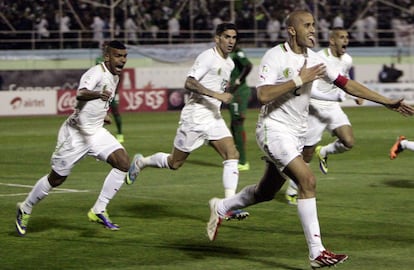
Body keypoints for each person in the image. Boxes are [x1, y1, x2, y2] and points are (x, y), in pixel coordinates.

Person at [206, 10, 414, 269]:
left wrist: (387, 102)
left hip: (296, 133)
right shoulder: (275, 55)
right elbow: (263, 95)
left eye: (314, 25)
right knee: (307, 180)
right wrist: (298, 79)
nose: (313, 29)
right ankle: (317, 252)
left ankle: (222, 206)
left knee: (266, 192)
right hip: (273, 129)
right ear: (292, 30)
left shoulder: (315, 60)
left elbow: (347, 84)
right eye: (307, 25)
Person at [128, 23, 249, 220]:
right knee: (174, 163)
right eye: (227, 37)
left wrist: (220, 97)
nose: (231, 42)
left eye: (234, 38)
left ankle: (228, 205)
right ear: (217, 38)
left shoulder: (230, 64)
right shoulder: (207, 57)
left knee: (232, 154)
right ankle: (141, 162)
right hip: (194, 117)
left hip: (213, 117)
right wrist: (216, 94)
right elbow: (189, 82)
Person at [15, 41, 130, 236]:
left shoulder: (115, 75)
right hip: (76, 134)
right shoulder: (95, 72)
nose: (123, 60)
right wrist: (98, 94)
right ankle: (25, 208)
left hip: (96, 132)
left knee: (123, 163)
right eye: (118, 55)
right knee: (57, 178)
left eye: (125, 56)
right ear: (107, 57)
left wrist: (103, 114)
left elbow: (100, 102)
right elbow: (81, 93)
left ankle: (98, 209)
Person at [285, 27, 364, 205]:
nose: (346, 41)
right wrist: (332, 96)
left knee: (349, 141)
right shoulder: (318, 59)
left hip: (333, 108)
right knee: (306, 155)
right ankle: (292, 189)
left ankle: (326, 151)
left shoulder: (347, 59)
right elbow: (309, 89)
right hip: (315, 108)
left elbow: (343, 79)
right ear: (332, 40)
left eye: (347, 37)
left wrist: (354, 94)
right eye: (341, 37)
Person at [228, 46, 253, 171]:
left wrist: (238, 81)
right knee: (233, 125)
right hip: (231, 92)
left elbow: (248, 66)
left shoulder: (237, 52)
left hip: (238, 92)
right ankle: (236, 157)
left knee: (237, 124)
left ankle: (243, 162)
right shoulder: (224, 54)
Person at [95, 42, 124, 143]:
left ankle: (120, 134)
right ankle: (97, 135)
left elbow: (120, 74)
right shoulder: (98, 60)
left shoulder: (115, 59)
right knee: (98, 114)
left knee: (115, 112)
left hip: (111, 91)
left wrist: (116, 89)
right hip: (101, 92)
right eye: (103, 48)